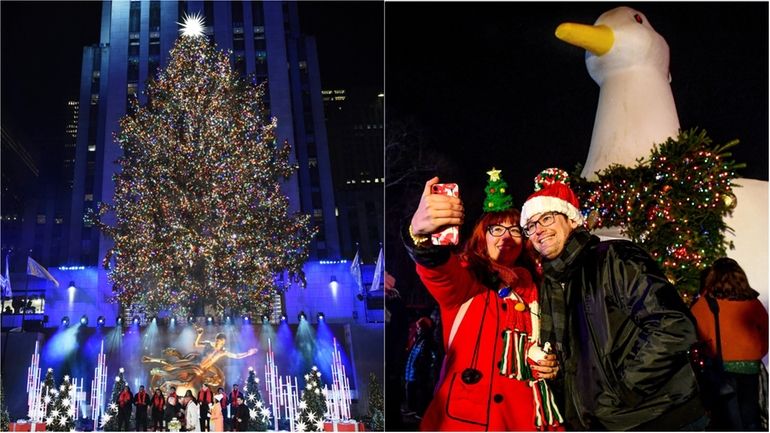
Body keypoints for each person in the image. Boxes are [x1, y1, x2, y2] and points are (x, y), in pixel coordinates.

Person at [519, 168, 706, 430]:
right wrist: (555, 371)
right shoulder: (553, 282)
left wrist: (623, 390)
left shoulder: (613, 258)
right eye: (530, 226)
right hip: (601, 423)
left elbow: (673, 326)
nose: (539, 230)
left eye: (547, 218)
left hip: (655, 417)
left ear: (571, 220)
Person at [404, 170, 562, 431]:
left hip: (530, 419)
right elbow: (438, 270)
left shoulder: (540, 290)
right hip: (470, 420)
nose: (506, 236)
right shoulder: (466, 283)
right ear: (481, 235)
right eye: (496, 229)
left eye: (515, 229)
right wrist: (419, 236)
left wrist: (552, 365)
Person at [691, 257, 768, 430]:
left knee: (727, 422)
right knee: (751, 419)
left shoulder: (702, 305)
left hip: (720, 371)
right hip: (750, 368)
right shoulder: (753, 304)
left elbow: (695, 338)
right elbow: (764, 338)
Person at [403, 316, 437, 417]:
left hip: (418, 372)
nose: (417, 330)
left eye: (419, 328)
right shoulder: (419, 339)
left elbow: (426, 357)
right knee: (410, 389)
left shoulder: (426, 341)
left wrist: (419, 366)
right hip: (413, 371)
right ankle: (412, 408)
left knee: (419, 391)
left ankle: (418, 410)